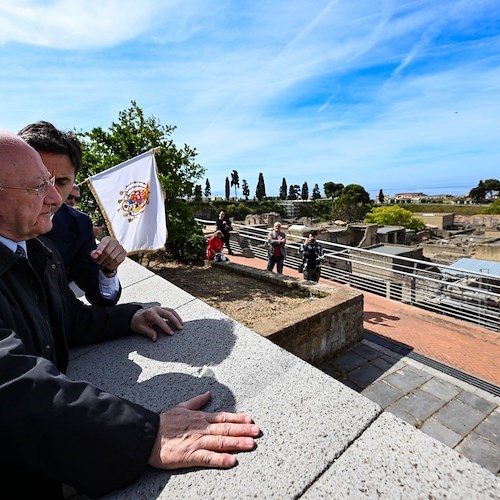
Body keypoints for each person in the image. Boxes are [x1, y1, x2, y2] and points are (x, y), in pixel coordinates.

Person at [0, 131, 260, 498]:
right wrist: (146, 435)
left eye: (56, 183)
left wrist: (128, 317)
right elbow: (13, 383)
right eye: (39, 186)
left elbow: (66, 318)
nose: (57, 199)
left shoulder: (36, 250)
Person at [18, 121, 125, 307]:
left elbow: (101, 299)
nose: (51, 194)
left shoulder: (78, 225)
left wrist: (108, 270)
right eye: (38, 181)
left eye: (60, 182)